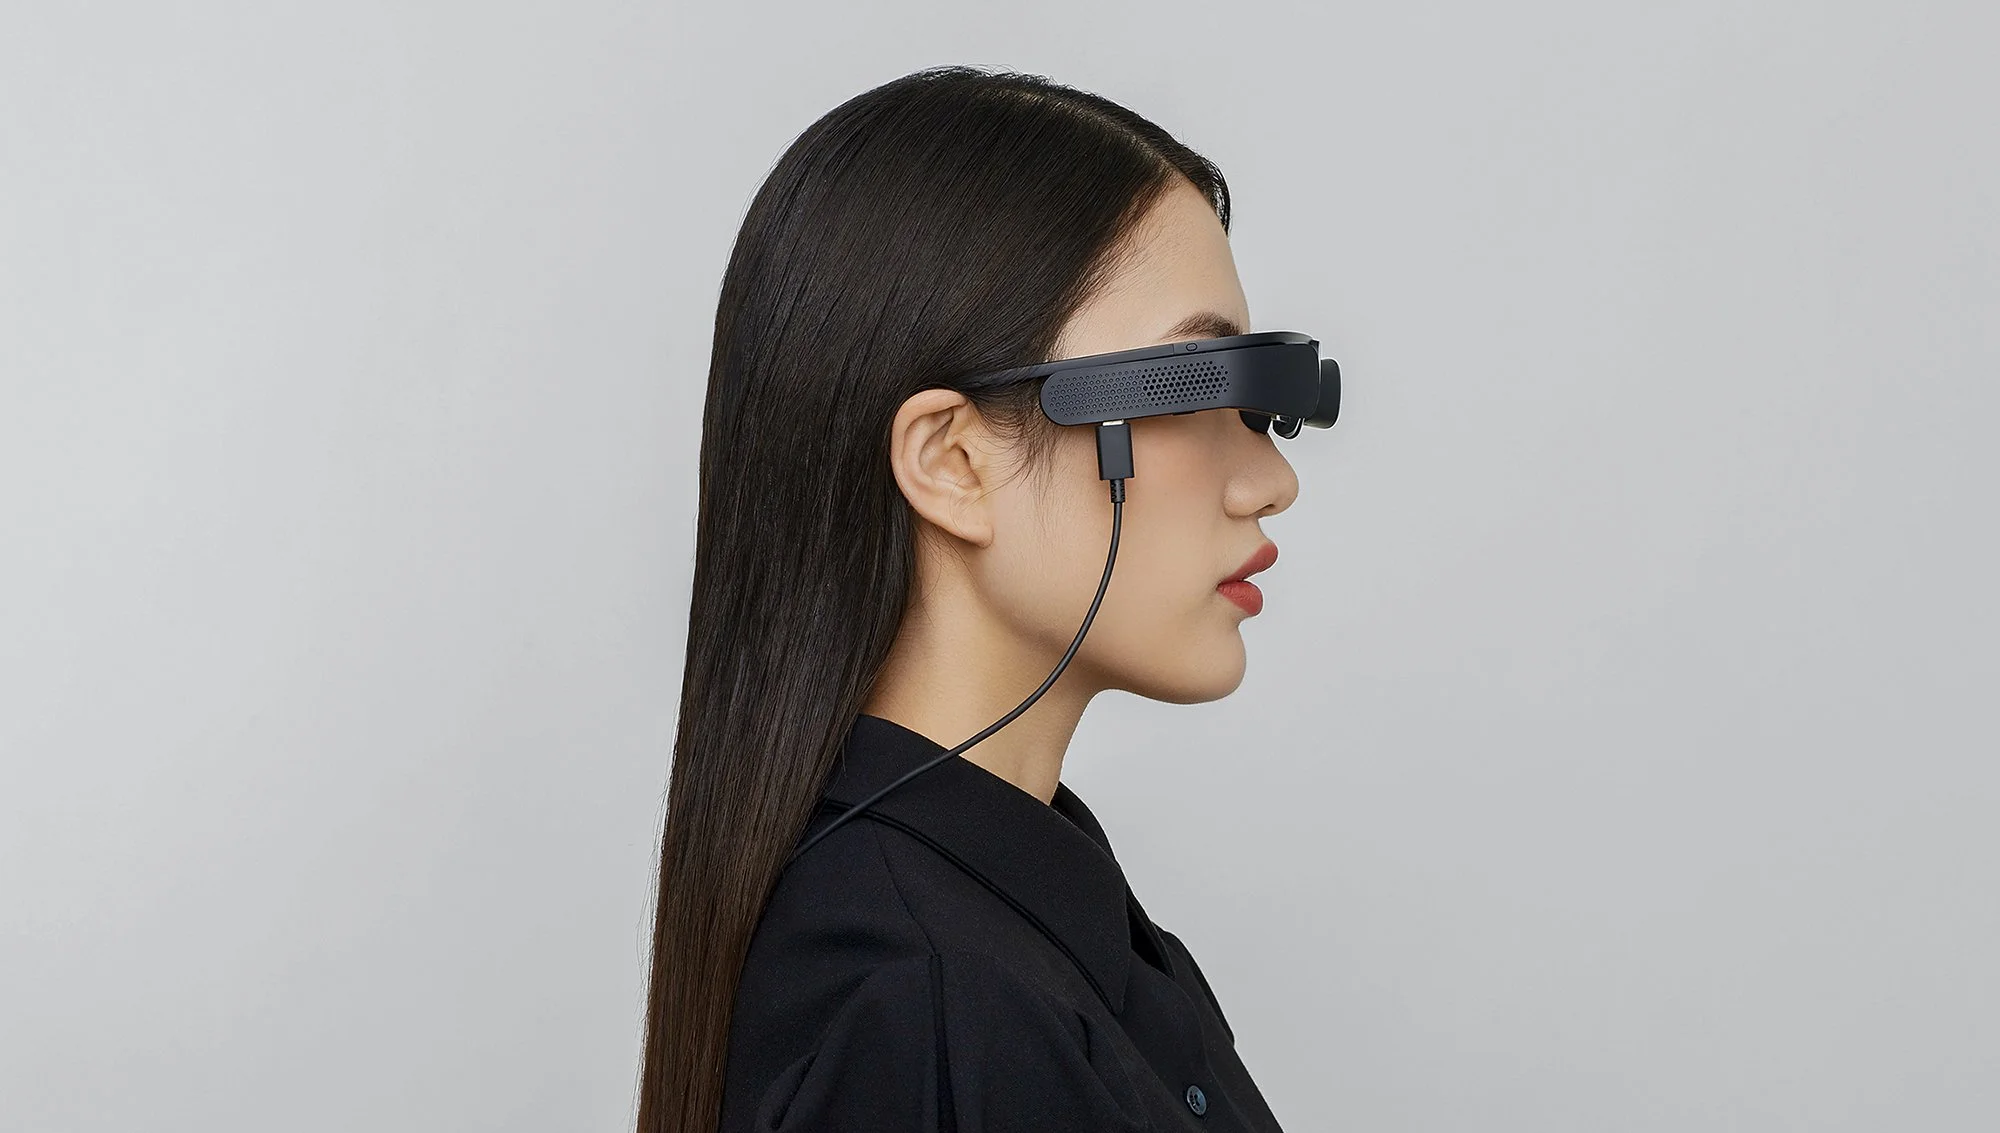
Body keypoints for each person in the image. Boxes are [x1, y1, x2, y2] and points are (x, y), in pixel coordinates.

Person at [637, 64, 1301, 1132]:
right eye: (1189, 391)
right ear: (951, 462)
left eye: (1255, 404)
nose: (1270, 480)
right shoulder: (932, 1011)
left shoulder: (1036, 929)